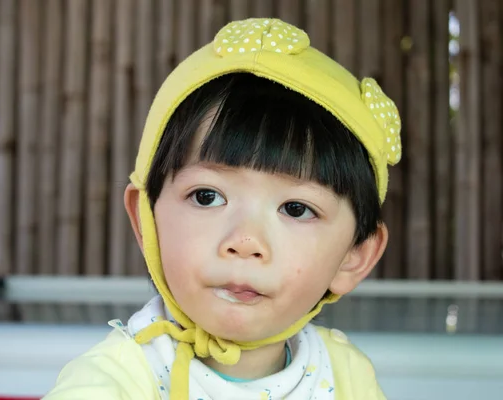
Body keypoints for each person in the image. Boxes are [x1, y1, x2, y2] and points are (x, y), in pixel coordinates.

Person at [43, 17, 401, 400]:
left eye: (296, 208)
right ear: (146, 219)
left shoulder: (349, 378)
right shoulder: (109, 383)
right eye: (206, 196)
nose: (245, 242)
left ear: (354, 255)